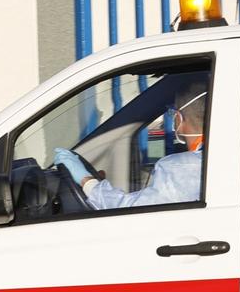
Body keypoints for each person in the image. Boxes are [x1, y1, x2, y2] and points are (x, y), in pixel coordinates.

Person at [53, 87, 206, 210]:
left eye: (173, 113)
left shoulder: (180, 167)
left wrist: (87, 180)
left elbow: (129, 210)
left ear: (178, 118)